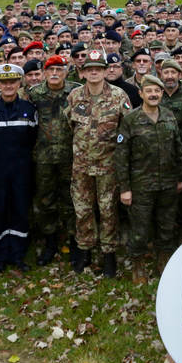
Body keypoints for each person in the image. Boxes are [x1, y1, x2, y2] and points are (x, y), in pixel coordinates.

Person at [58, 49, 132, 277]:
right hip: (81, 166)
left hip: (108, 166)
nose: (93, 73)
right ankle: (85, 250)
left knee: (108, 211)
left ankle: (109, 254)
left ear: (105, 71)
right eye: (89, 69)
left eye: (98, 69)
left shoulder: (119, 96)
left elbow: (127, 128)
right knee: (82, 210)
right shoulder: (74, 97)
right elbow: (68, 126)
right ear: (83, 72)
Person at [116, 74, 182, 283]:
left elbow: (178, 149)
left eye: (157, 91)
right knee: (140, 228)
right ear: (141, 93)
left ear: (162, 93)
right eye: (149, 91)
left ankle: (163, 260)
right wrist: (125, 188)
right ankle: (138, 264)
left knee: (166, 226)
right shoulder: (130, 120)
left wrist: (179, 178)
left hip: (168, 184)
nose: (153, 95)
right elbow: (121, 156)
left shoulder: (169, 116)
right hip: (141, 185)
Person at [0, 64, 39, 272]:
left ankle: (18, 254)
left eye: (12, 82)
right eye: (4, 82)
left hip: (22, 171)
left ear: (19, 83)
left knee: (20, 210)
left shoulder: (29, 110)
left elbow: (34, 139)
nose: (8, 86)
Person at [27, 54, 79, 265]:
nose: (55, 73)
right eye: (51, 70)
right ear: (45, 73)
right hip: (43, 157)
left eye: (59, 69)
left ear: (66, 72)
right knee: (45, 200)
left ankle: (74, 241)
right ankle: (50, 243)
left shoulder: (75, 92)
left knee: (71, 200)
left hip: (70, 156)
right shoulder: (34, 93)